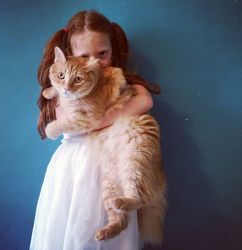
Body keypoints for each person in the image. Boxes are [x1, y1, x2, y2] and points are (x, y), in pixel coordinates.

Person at [30, 10, 160, 250]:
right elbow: (71, 119)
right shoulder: (65, 86)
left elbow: (146, 100)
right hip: (75, 165)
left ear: (112, 50)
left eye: (102, 54)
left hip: (108, 160)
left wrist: (99, 117)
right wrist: (103, 114)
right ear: (71, 57)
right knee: (72, 228)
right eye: (84, 55)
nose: (94, 62)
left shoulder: (114, 78)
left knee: (109, 220)